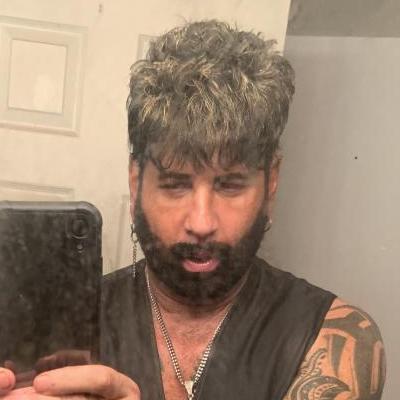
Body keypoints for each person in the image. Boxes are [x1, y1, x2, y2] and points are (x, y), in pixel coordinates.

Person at [0, 20, 385, 400]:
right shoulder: (55, 328)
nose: (201, 222)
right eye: (175, 184)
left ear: (271, 182)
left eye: (230, 185)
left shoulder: (332, 337)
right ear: (136, 181)